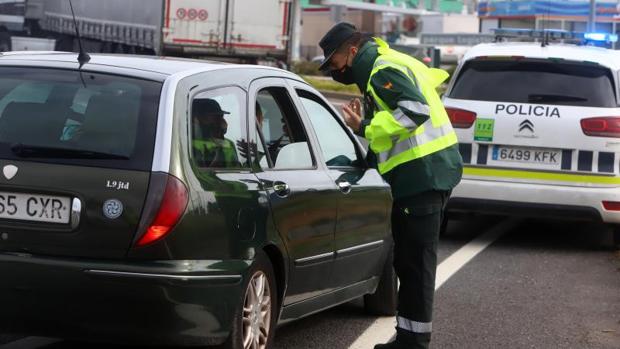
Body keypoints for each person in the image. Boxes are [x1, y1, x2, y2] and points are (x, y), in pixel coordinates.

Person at [318, 22, 463, 349]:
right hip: (421, 176)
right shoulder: (386, 64)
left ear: (352, 51)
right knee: (409, 264)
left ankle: (414, 343)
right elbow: (396, 133)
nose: (334, 70)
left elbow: (415, 111)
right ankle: (409, 337)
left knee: (416, 266)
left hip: (423, 176)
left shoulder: (382, 70)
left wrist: (365, 125)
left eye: (335, 62)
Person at [192, 98, 239, 168]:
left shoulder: (228, 144)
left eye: (220, 117)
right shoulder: (190, 145)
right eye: (214, 117)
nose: (221, 122)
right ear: (195, 119)